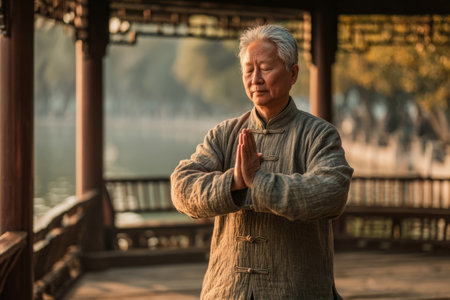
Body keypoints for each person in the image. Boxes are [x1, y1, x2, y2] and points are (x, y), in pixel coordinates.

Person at [170, 24, 353, 300]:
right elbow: (182, 186)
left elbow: (332, 192)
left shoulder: (319, 134)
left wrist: (260, 182)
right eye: (248, 69)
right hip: (227, 291)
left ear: (292, 74)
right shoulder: (224, 134)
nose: (255, 78)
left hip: (297, 291)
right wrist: (234, 182)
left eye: (266, 68)